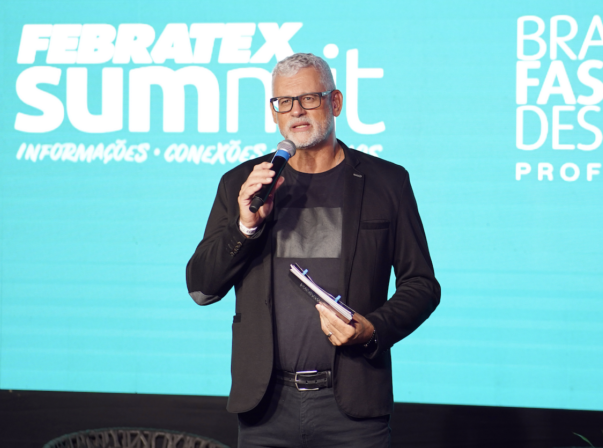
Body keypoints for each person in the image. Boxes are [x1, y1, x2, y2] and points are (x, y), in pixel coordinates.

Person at [186, 52, 440, 448]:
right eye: (284, 101)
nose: (296, 111)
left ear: (335, 102)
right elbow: (202, 289)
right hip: (266, 409)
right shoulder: (243, 184)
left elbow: (422, 284)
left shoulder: (387, 182)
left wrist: (373, 329)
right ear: (273, 112)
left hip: (354, 409)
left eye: (308, 98)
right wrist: (246, 226)